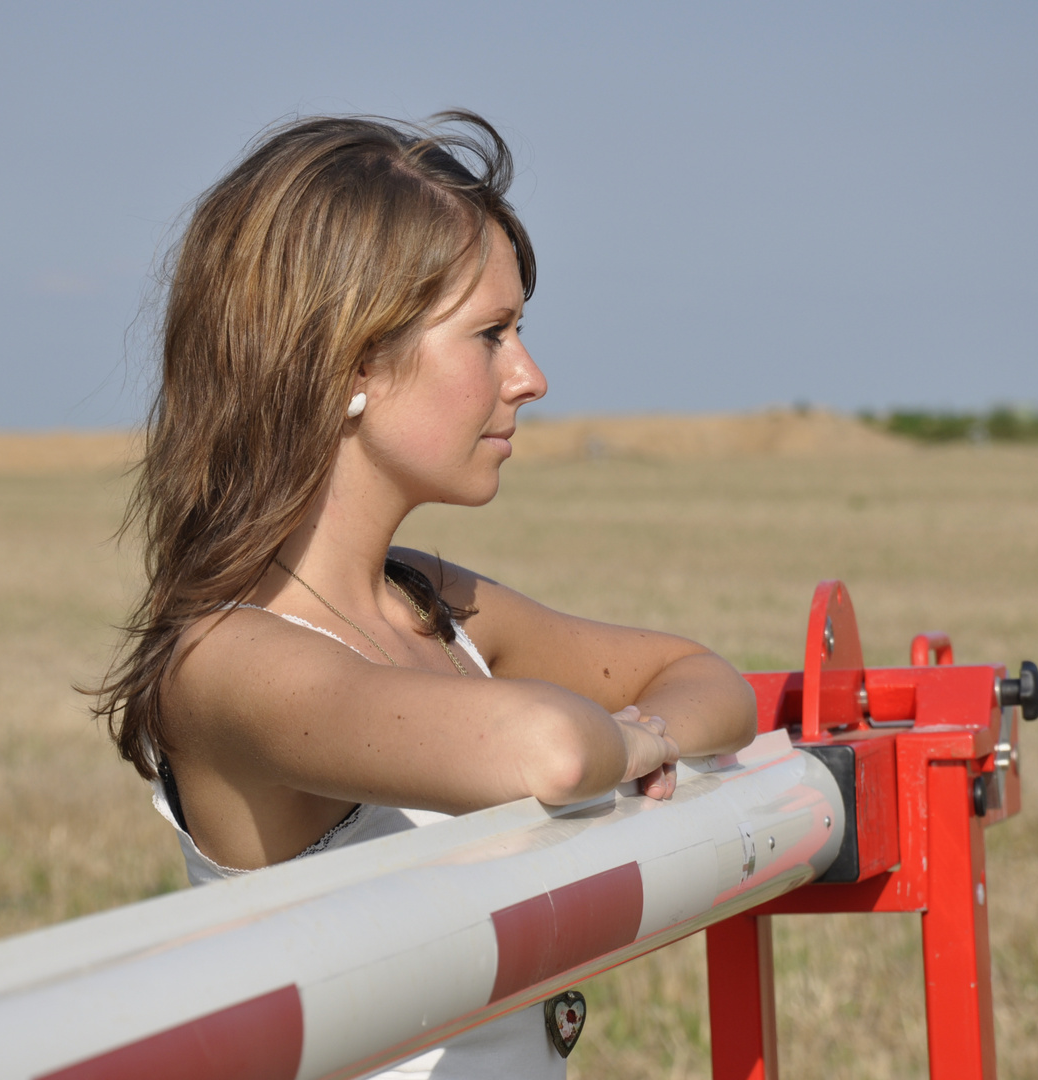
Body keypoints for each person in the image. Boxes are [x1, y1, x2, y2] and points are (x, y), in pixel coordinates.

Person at [91, 111, 757, 1079]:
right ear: (353, 361)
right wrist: (643, 742)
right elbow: (553, 750)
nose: (530, 377)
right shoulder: (227, 661)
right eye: (491, 334)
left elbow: (707, 678)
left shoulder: (433, 603)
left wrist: (638, 727)